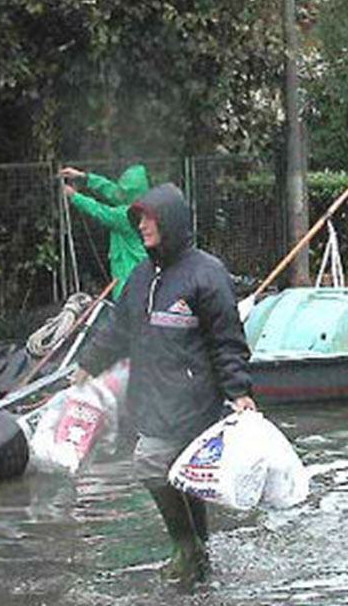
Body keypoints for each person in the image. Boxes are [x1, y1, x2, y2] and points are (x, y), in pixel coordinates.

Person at [73, 182, 256, 584]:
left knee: (150, 462)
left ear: (169, 221)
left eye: (149, 219)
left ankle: (186, 548)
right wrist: (88, 365)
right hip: (153, 396)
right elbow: (117, 328)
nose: (141, 226)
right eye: (138, 219)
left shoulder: (207, 273)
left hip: (194, 399)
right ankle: (200, 556)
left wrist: (239, 391)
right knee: (183, 474)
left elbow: (227, 340)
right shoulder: (142, 276)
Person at [60, 163, 150, 297]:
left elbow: (99, 211)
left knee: (127, 303)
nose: (120, 192)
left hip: (129, 272)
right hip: (136, 271)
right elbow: (112, 191)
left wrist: (74, 196)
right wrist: (84, 177)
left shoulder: (127, 216)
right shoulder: (143, 204)